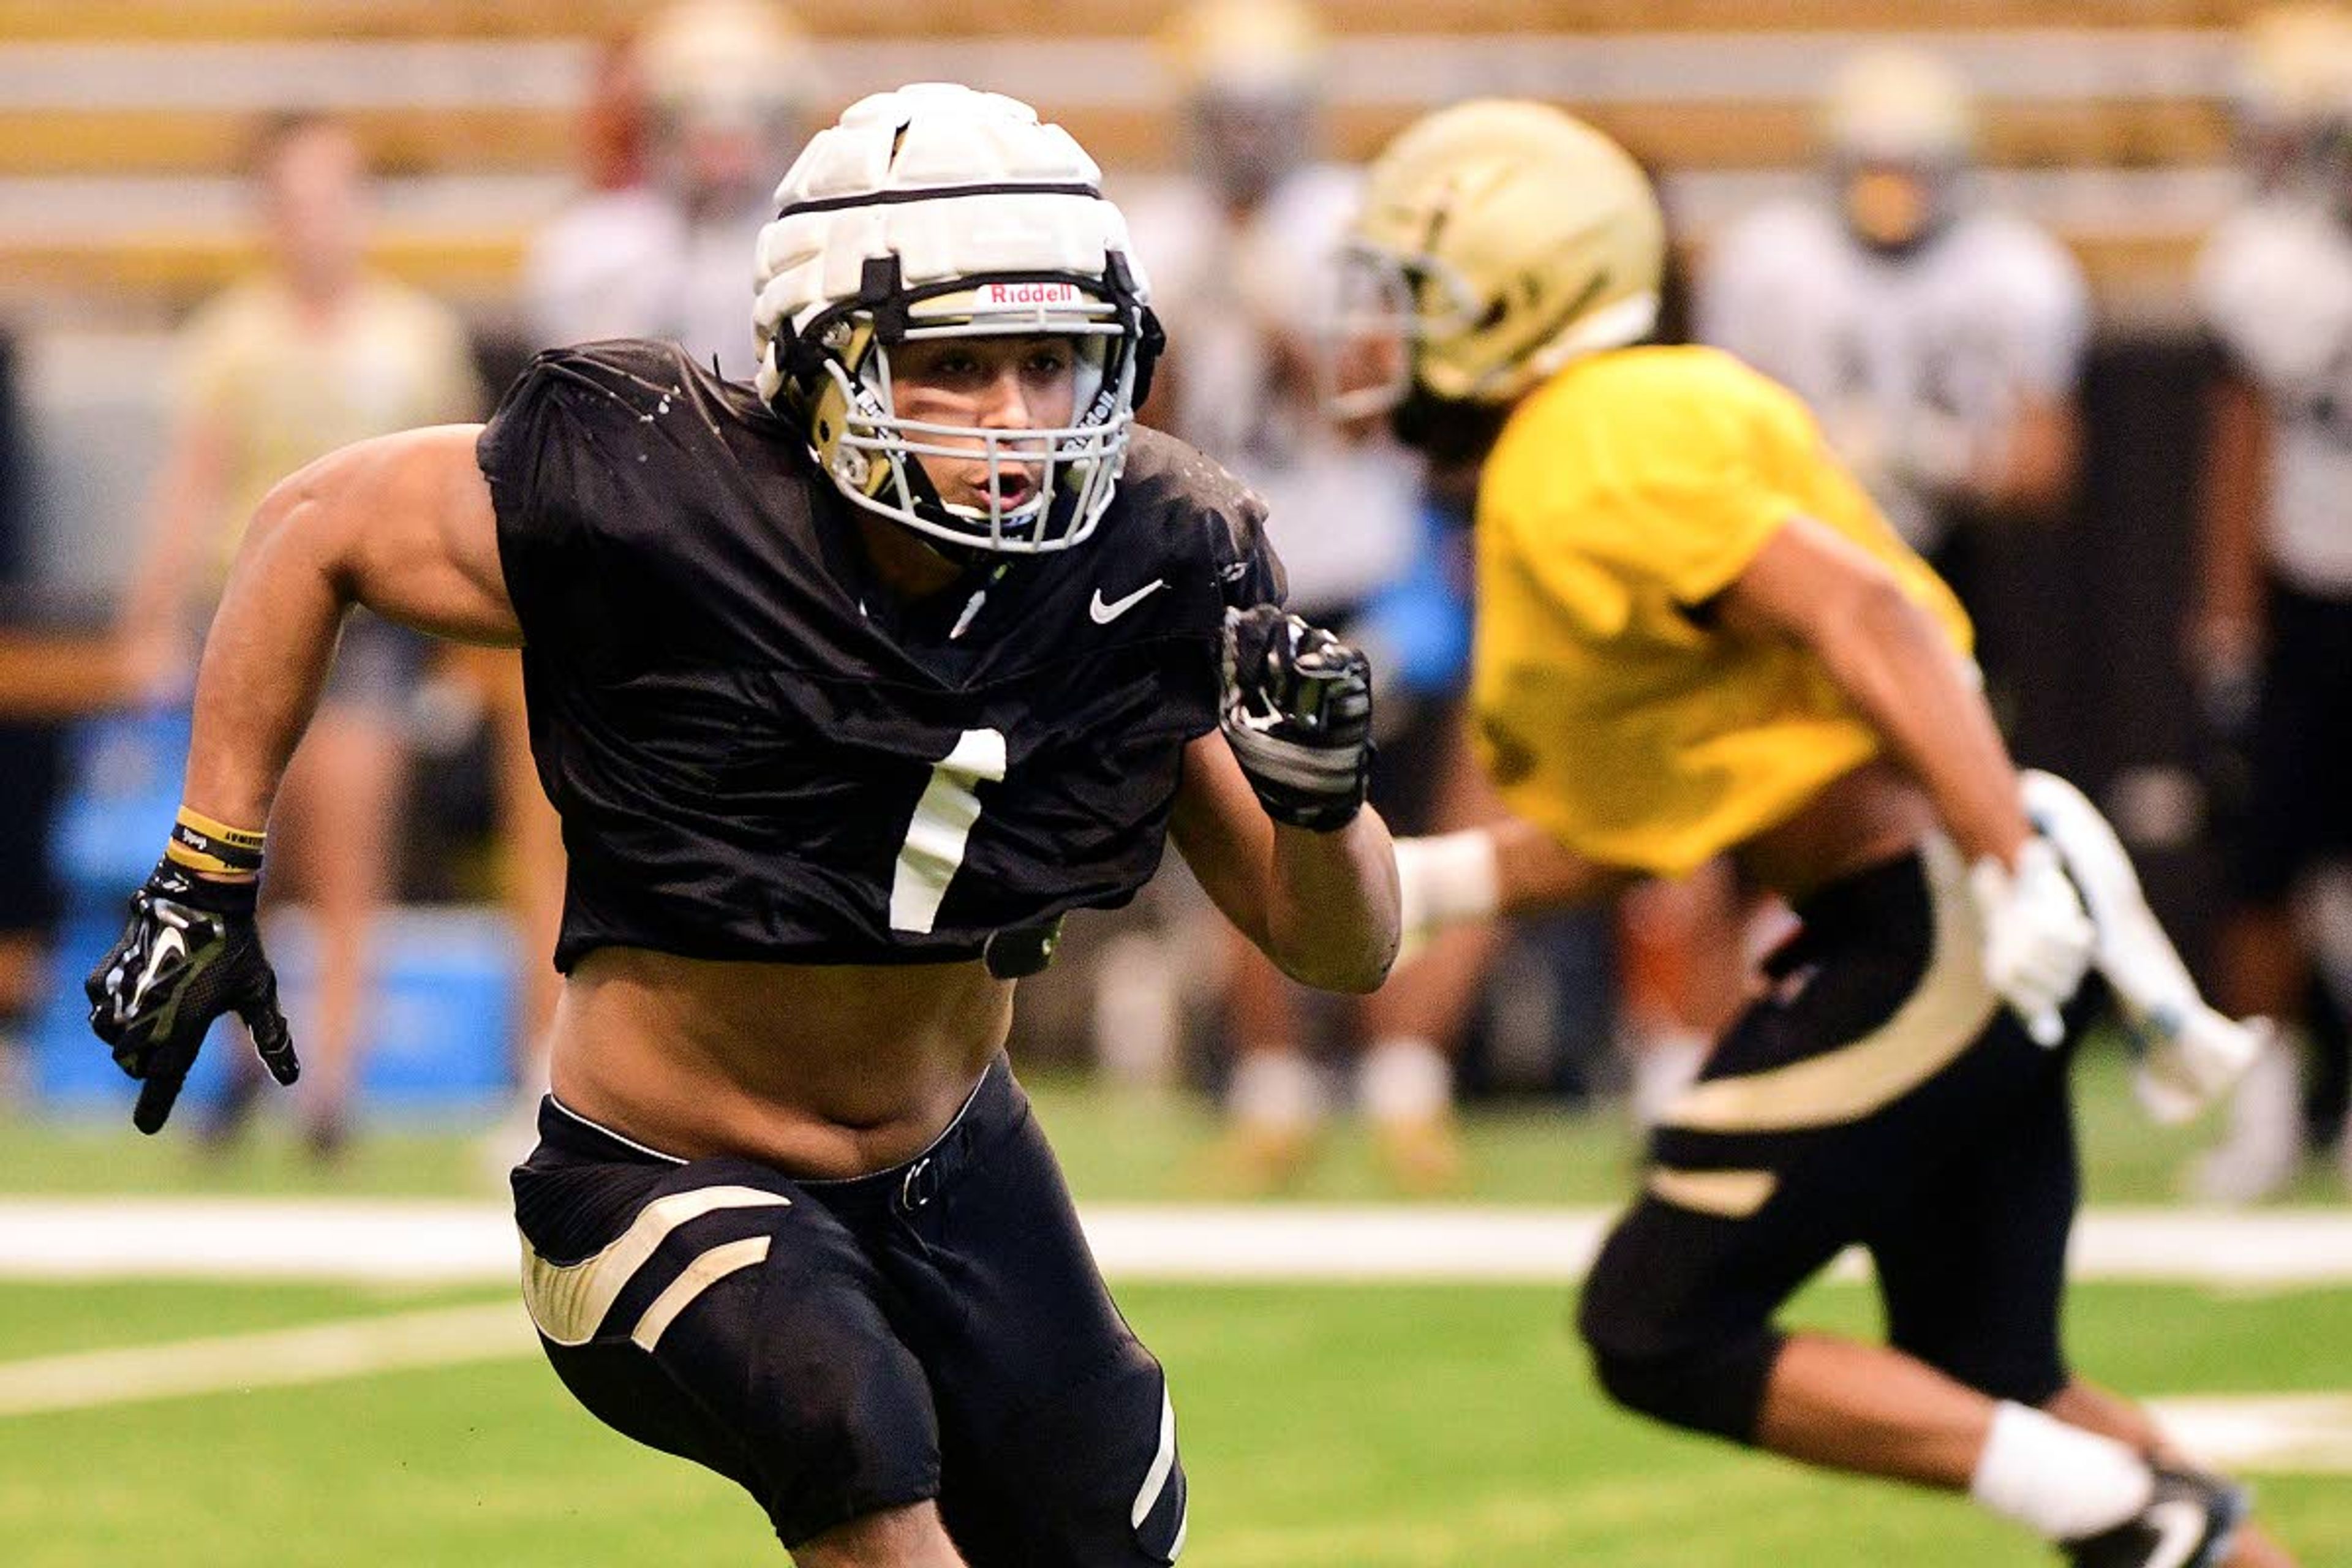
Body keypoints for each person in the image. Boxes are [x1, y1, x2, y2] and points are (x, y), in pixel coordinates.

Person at [86, 83, 1398, 1566]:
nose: (1017, 420)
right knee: (857, 1437)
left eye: (1054, 361)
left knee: (1110, 1521)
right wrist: (207, 869)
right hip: (657, 1168)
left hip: (952, 1157)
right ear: (822, 358)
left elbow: (1336, 945)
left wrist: (1325, 802)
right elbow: (309, 523)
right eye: (958, 363)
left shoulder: (1154, 556)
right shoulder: (656, 494)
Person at [1330, 100, 2286, 1567]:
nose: (1373, 336)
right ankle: (2185, 1531)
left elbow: (1864, 613)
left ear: (1519, 296)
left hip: (1930, 915)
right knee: (1992, 1382)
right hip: (1924, 905)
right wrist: (1394, 879)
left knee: (1656, 1318)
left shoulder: (1591, 436)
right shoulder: (1576, 458)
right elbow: (1631, 828)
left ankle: (2119, 1503)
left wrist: (2004, 859)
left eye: (1410, 295)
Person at [1123, 0, 1481, 1191]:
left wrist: (1284, 331)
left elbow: (1387, 406)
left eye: (1261, 109)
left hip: (1362, 561)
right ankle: (1274, 1086)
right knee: (1238, 821)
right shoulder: (1150, 229)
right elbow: (1128, 422)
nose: (1242, 134)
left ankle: (1405, 1078)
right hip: (1224, 565)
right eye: (1224, 109)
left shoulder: (1350, 221)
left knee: (1404, 826)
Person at [113, 111, 484, 1156]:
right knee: (233, 853)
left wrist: (454, 650)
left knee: (350, 859)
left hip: (371, 626)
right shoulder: (234, 337)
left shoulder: (414, 337)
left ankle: (330, 1084)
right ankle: (230, 1066)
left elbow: (457, 500)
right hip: (242, 616)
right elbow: (188, 487)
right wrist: (150, 621)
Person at [1694, 45, 2088, 722]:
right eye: (1871, 167)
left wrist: (1948, 460)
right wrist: (1818, 463)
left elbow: (2044, 469)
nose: (1889, 192)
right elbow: (1712, 449)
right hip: (1797, 563)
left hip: (1950, 565)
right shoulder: (1768, 263)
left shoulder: (2015, 272)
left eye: (1911, 169)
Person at [2187, 1, 2352, 1202]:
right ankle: (2271, 1104)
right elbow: (2238, 445)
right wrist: (2231, 613)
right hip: (2307, 595)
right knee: (2266, 858)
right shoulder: (2264, 264)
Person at [521, 0, 818, 379]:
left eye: (754, 119)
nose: (726, 152)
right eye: (698, 121)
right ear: (660, 124)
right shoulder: (589, 247)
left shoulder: (812, 250)